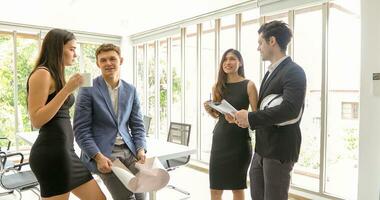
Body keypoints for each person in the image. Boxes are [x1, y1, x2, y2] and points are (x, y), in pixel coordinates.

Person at [27, 29, 106, 200]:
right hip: (52, 155)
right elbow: (36, 119)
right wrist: (67, 90)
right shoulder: (42, 73)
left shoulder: (56, 74)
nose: (75, 54)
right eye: (72, 49)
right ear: (57, 48)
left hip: (65, 152)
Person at [235, 21, 307, 200]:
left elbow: (290, 109)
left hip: (279, 150)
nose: (258, 47)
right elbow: (265, 108)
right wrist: (243, 118)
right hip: (262, 148)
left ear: (272, 41)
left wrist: (250, 118)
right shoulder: (270, 72)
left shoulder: (294, 71)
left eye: (260, 42)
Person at [73, 43, 147, 200]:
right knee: (126, 198)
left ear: (121, 60)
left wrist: (141, 149)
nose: (108, 63)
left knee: (142, 194)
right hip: (104, 153)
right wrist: (98, 157)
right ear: (97, 63)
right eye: (103, 60)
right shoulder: (87, 89)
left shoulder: (131, 90)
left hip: (130, 151)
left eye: (112, 59)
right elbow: (81, 130)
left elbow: (137, 125)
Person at [203, 48, 258, 200]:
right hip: (220, 141)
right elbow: (218, 115)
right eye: (225, 60)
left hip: (239, 143)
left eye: (232, 59)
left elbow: (257, 117)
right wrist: (209, 109)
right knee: (215, 189)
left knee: (237, 187)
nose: (228, 62)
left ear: (240, 63)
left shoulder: (249, 85)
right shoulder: (217, 86)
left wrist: (239, 119)